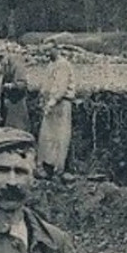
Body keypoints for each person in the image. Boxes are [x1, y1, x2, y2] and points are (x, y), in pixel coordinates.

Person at [36, 45, 76, 179]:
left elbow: (61, 87)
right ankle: (45, 167)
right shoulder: (50, 65)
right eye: (45, 50)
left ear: (56, 49)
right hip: (50, 104)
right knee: (47, 136)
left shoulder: (63, 65)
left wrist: (51, 102)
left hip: (60, 104)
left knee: (60, 137)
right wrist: (43, 99)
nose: (47, 53)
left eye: (49, 50)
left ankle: (58, 170)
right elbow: (46, 85)